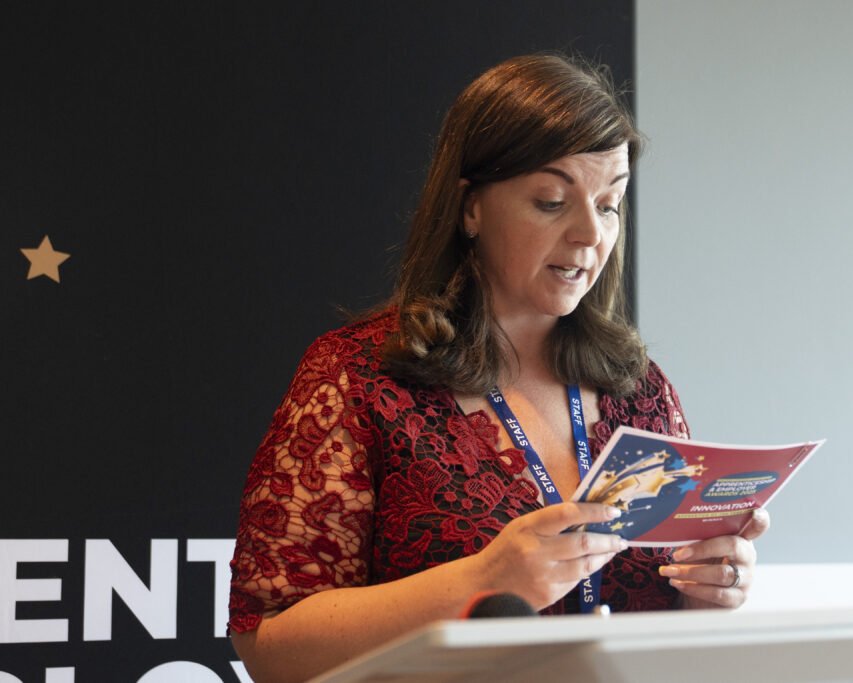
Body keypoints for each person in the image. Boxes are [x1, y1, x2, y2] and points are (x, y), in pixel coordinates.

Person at [228, 54, 769, 682]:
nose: (590, 234)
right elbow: (268, 646)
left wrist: (705, 596)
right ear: (470, 208)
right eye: (550, 201)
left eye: (610, 204)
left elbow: (663, 643)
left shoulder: (641, 392)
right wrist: (484, 580)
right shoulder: (356, 376)